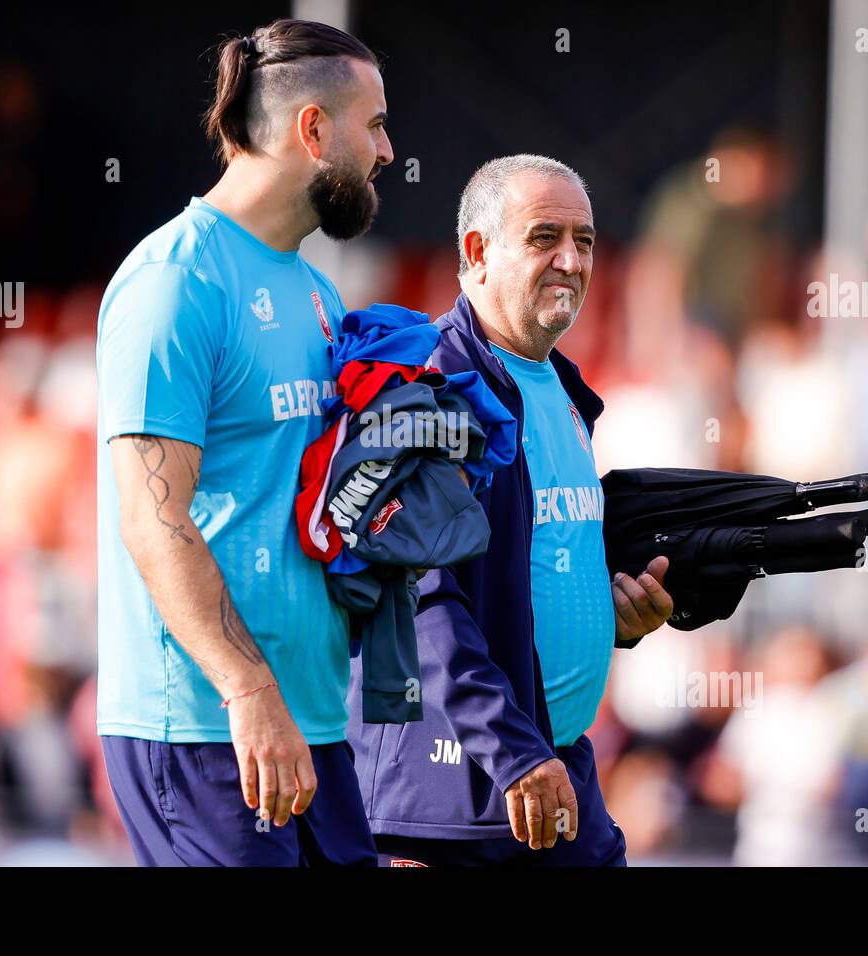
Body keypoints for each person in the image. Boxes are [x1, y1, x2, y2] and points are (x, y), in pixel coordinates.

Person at [95, 18, 393, 866]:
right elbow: (153, 521)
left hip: (311, 722)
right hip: (206, 725)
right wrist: (249, 690)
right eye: (373, 125)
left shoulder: (319, 297)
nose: (386, 150)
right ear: (313, 130)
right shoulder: (172, 282)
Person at [347, 155, 673, 866]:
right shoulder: (428, 391)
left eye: (584, 242)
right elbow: (417, 603)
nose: (571, 260)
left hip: (551, 772)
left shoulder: (561, 391)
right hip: (456, 798)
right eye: (544, 237)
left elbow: (522, 577)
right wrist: (513, 752)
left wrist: (608, 617)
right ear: (476, 252)